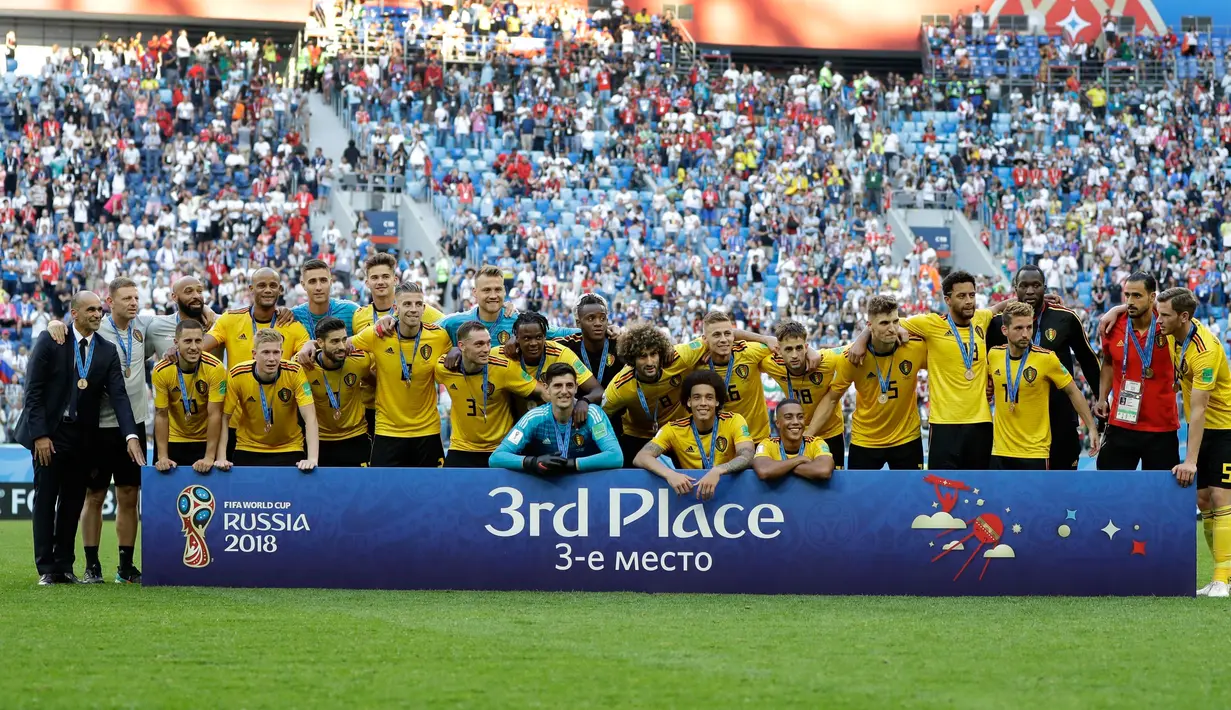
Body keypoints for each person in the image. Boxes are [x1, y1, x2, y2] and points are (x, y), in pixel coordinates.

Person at [15, 291, 143, 585]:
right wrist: (40, 435)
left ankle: (65, 565)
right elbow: (32, 392)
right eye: (91, 310)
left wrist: (131, 435)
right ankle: (47, 568)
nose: (98, 315)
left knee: (73, 502)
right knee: (46, 499)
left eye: (99, 310)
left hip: (82, 439)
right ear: (74, 314)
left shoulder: (107, 350)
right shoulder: (53, 339)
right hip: (50, 435)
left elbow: (120, 397)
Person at [858, 270, 993, 470]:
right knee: (940, 488)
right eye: (962, 296)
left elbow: (1000, 308)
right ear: (947, 299)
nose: (969, 301)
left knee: (979, 487)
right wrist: (861, 340)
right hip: (944, 423)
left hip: (981, 422)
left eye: (972, 295)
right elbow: (883, 323)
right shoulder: (930, 323)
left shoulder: (982, 318)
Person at [1154, 288, 1231, 596]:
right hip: (1206, 430)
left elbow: (1198, 411)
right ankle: (1222, 576)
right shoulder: (1176, 335)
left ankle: (1223, 579)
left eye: (1165, 315)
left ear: (1183, 317)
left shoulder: (1206, 350)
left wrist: (1190, 460)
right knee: (1202, 501)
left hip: (1225, 428)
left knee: (1220, 497)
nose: (1159, 320)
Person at [81, 277, 158, 584]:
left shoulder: (144, 328)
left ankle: (125, 567)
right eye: (126, 298)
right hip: (99, 426)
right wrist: (52, 324)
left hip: (134, 424)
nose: (133, 303)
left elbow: (177, 324)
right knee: (95, 496)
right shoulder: (95, 328)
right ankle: (91, 566)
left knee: (129, 495)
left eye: (136, 297)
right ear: (109, 302)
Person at [986, 265, 1100, 470]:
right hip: (1020, 424)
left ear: (1045, 288)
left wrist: (1101, 400)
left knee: (1062, 484)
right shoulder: (997, 324)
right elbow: (985, 359)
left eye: (1036, 286)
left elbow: (1088, 361)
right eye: (1024, 286)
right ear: (1015, 288)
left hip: (1060, 417)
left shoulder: (1065, 318)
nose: (1030, 291)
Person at [813, 296, 928, 470]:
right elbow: (831, 399)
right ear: (870, 326)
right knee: (858, 496)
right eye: (884, 323)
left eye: (895, 321)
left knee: (911, 496)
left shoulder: (916, 348)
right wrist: (807, 436)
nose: (892, 329)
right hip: (865, 440)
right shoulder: (852, 358)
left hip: (907, 438)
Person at [352, 283, 452, 467]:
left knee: (430, 491)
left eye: (418, 304)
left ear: (424, 308)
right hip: (388, 431)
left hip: (427, 430)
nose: (413, 309)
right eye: (407, 304)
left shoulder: (440, 337)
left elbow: (467, 333)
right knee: (384, 492)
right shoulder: (377, 335)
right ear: (396, 308)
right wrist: (312, 344)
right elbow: (343, 345)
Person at [1095, 273, 1180, 471]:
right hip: (1121, 423)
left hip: (1162, 427)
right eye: (1127, 296)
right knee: (1111, 491)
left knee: (1161, 496)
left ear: (1152, 297)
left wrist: (1117, 308)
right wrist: (1101, 398)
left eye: (1137, 296)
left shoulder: (1169, 323)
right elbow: (1108, 363)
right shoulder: (1112, 325)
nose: (1130, 301)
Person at [435, 320, 544, 467]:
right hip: (462, 447)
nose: (486, 349)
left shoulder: (503, 368)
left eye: (488, 343)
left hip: (500, 448)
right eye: (479, 344)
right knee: (447, 487)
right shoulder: (444, 368)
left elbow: (543, 392)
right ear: (461, 346)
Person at [633, 370, 756, 500]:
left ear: (717, 401)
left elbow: (747, 455)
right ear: (689, 402)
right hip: (691, 496)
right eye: (697, 397)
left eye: (709, 397)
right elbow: (641, 457)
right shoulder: (673, 429)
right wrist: (669, 474)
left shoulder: (734, 421)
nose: (703, 403)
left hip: (731, 495)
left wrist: (718, 470)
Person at [602, 324, 708, 466]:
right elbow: (602, 418)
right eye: (642, 356)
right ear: (632, 359)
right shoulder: (619, 388)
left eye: (653, 354)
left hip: (679, 429)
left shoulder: (680, 357)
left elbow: (714, 338)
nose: (650, 362)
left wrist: (710, 351)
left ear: (661, 353)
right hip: (637, 434)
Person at [489, 363, 623, 473]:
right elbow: (496, 458)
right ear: (547, 389)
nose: (564, 391)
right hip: (546, 489)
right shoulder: (534, 418)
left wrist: (572, 464)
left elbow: (616, 457)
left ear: (576, 388)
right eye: (558, 386)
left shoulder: (593, 414)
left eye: (569, 385)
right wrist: (533, 462)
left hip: (586, 487)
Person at [216, 329, 319, 470]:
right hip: (248, 447)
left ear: (282, 354)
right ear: (254, 354)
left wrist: (312, 459)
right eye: (265, 352)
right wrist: (221, 457)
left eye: (276, 352)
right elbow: (224, 417)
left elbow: (310, 418)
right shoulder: (237, 374)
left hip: (289, 447)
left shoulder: (294, 372)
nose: (272, 358)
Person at [763, 319, 845, 469]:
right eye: (788, 349)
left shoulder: (828, 359)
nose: (794, 355)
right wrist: (763, 338)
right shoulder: (770, 362)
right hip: (796, 435)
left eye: (799, 348)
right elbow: (733, 337)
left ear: (806, 347)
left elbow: (858, 346)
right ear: (779, 350)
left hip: (830, 433)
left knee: (832, 486)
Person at [151, 318, 225, 473]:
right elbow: (161, 414)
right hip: (174, 438)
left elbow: (215, 414)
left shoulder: (215, 368)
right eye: (187, 341)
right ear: (176, 343)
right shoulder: (161, 370)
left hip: (205, 439)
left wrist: (210, 457)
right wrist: (162, 456)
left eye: (198, 341)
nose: (193, 347)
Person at [436, 264, 572, 346]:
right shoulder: (454, 323)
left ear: (504, 291)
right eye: (486, 290)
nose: (493, 295)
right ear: (475, 292)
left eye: (498, 289)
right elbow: (424, 332)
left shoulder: (518, 322)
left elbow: (560, 332)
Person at [501, 311, 601, 419]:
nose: (534, 343)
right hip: (518, 424)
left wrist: (584, 401)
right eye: (527, 338)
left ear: (545, 337)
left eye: (539, 337)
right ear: (516, 338)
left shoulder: (561, 354)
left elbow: (598, 390)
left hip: (555, 424)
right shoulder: (508, 355)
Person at [694, 310, 774, 440]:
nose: (724, 340)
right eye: (716, 335)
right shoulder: (695, 362)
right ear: (705, 340)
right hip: (719, 442)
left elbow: (783, 344)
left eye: (727, 334)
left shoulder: (750, 352)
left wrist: (810, 351)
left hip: (757, 439)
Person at [306, 316, 372, 467]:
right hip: (320, 440)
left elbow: (375, 381)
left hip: (356, 437)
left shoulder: (360, 361)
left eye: (344, 339)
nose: (342, 346)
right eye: (335, 341)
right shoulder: (304, 365)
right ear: (320, 343)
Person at [751, 399, 835, 481]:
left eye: (800, 417)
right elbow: (764, 471)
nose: (796, 422)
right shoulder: (767, 444)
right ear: (778, 423)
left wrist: (779, 468)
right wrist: (800, 459)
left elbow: (824, 471)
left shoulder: (816, 443)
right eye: (788, 417)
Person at [556, 293, 624, 390]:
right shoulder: (567, 345)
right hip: (578, 404)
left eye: (602, 318)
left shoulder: (618, 344)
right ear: (578, 323)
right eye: (591, 318)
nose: (598, 323)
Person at [291, 259, 359, 337]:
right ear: (303, 285)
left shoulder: (351, 311)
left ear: (330, 283)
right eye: (312, 281)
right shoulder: (293, 316)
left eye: (323, 280)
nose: (318, 287)